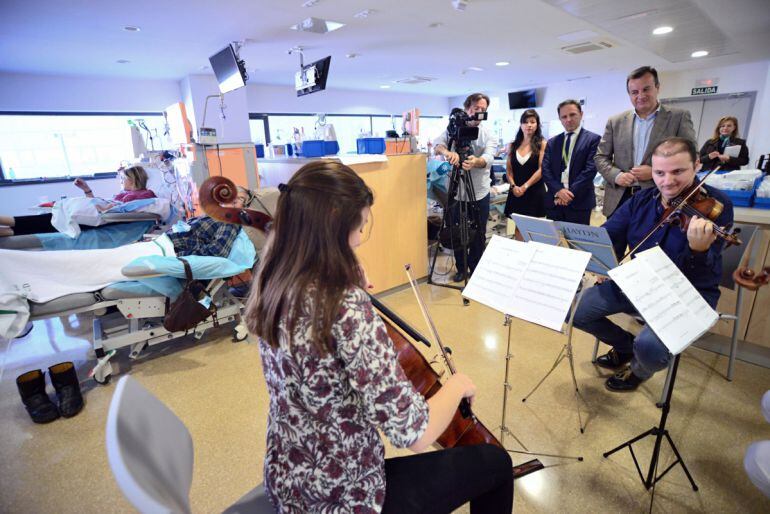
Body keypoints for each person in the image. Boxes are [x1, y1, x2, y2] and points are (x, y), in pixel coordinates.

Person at [244, 160, 513, 513]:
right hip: (341, 492)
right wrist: (458, 385)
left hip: (288, 476)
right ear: (336, 221)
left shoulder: (272, 280)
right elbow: (413, 434)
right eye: (360, 226)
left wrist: (345, 270)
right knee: (495, 464)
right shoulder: (343, 305)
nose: (358, 238)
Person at [573, 137, 733, 392]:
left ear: (697, 165)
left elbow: (706, 268)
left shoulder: (716, 206)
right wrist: (603, 262)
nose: (667, 181)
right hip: (639, 282)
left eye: (678, 171)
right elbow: (608, 234)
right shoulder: (642, 200)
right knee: (576, 311)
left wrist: (699, 250)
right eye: (660, 173)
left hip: (688, 290)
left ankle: (639, 369)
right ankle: (626, 345)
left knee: (650, 348)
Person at [595, 66, 696, 217]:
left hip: (658, 197)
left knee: (649, 241)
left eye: (646, 89)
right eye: (634, 92)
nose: (640, 96)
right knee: (614, 240)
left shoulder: (678, 117)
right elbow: (600, 157)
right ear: (629, 94)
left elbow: (692, 156)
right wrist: (617, 175)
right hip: (619, 198)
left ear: (657, 88)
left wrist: (657, 172)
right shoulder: (615, 121)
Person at [433, 93, 498, 282]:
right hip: (456, 191)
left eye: (483, 110)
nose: (479, 113)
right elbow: (437, 145)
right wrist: (448, 152)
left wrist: (476, 161)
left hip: (479, 192)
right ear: (467, 108)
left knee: (478, 233)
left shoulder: (488, 133)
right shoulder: (453, 127)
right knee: (457, 231)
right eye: (475, 109)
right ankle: (461, 268)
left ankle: (476, 267)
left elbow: (489, 156)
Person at [0, 165, 156, 237]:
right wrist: (87, 190)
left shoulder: (143, 195)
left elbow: (110, 210)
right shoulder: (124, 194)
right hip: (94, 218)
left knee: (47, 222)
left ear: (133, 179)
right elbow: (98, 207)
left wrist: (107, 206)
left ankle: (6, 228)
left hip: (96, 222)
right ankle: (6, 227)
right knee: (47, 220)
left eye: (123, 178)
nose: (120, 181)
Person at [541, 100, 601, 225]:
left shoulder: (593, 139)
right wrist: (559, 191)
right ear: (560, 119)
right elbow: (546, 169)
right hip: (555, 201)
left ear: (581, 114)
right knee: (553, 241)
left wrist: (569, 193)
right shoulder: (552, 142)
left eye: (572, 114)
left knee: (577, 243)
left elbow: (590, 170)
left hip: (579, 202)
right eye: (564, 116)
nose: (568, 119)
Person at [503, 109, 547, 220]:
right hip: (516, 191)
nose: (529, 125)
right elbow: (509, 171)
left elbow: (541, 169)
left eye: (532, 122)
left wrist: (525, 187)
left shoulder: (542, 143)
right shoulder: (512, 145)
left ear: (537, 125)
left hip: (534, 191)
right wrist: (513, 187)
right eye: (526, 122)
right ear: (521, 125)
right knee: (518, 227)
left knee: (535, 228)